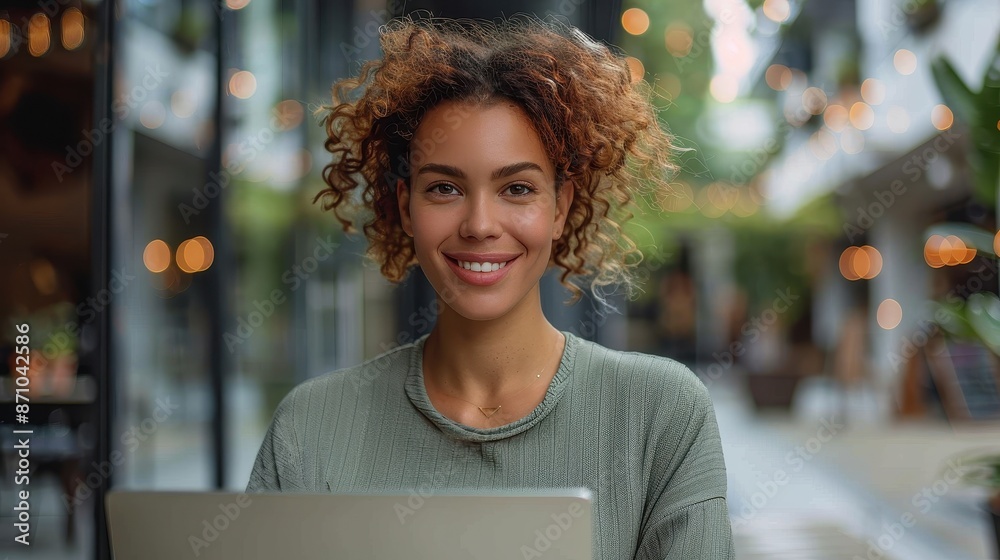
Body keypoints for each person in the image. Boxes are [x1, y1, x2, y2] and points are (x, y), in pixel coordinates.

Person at [247, 14, 734, 559]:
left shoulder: (660, 415)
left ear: (561, 207)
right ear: (406, 208)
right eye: (445, 188)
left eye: (518, 188)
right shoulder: (312, 426)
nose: (480, 224)